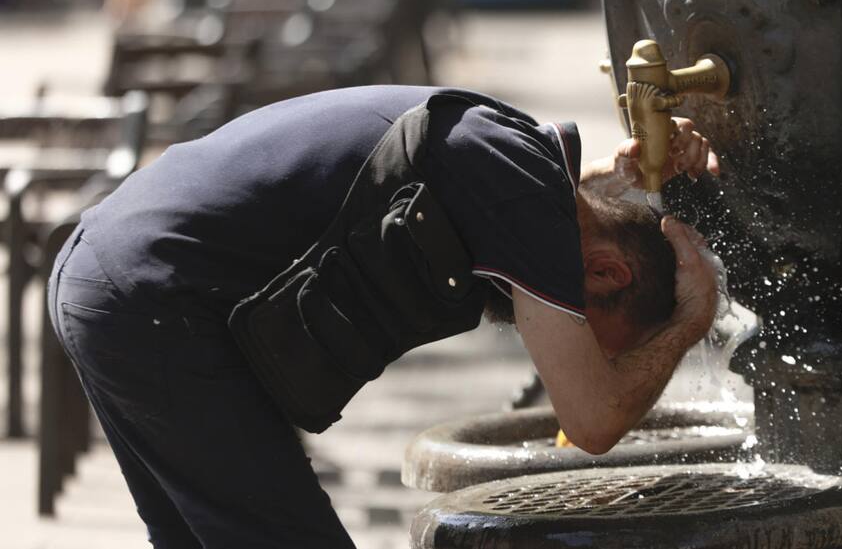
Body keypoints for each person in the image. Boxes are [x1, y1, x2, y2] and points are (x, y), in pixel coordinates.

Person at [47, 85, 719, 549]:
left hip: (108, 269)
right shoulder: (524, 197)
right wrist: (690, 319)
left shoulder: (519, 170)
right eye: (609, 348)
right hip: (150, 296)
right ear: (608, 275)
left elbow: (539, 213)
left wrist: (621, 176)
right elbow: (595, 420)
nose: (574, 355)